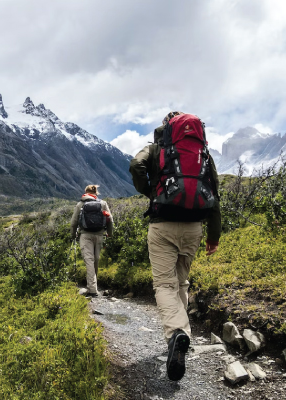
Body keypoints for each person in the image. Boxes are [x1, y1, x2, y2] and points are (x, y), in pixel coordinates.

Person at [129, 111, 221, 381]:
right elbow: (214, 194)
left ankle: (176, 334)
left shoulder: (157, 148)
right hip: (194, 227)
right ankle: (182, 335)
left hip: (163, 225)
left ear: (167, 127)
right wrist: (213, 237)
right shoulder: (202, 154)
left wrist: (150, 191)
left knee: (164, 285)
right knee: (181, 282)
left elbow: (136, 165)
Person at [70, 184, 114, 297]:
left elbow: (73, 222)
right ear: (96, 193)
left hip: (85, 235)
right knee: (96, 260)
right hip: (99, 235)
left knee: (89, 260)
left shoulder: (80, 204)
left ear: (86, 192)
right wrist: (110, 233)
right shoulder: (102, 203)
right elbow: (110, 219)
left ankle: (92, 289)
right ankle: (93, 286)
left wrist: (73, 234)